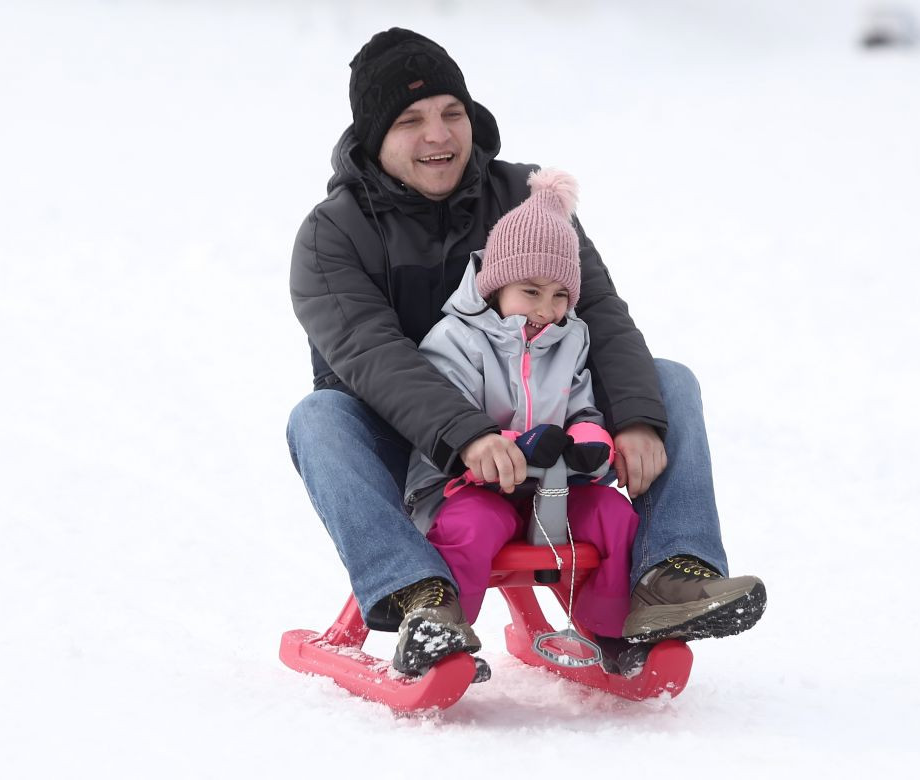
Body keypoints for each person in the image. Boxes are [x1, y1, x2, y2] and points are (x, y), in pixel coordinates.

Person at [286, 27, 765, 678]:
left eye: (452, 113)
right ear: (375, 137)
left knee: (665, 384)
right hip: (417, 456)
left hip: (552, 438)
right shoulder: (333, 235)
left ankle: (671, 576)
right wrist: (469, 436)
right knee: (318, 418)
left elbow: (598, 312)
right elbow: (372, 356)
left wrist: (634, 421)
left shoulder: (526, 200)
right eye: (411, 120)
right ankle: (422, 595)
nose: (439, 135)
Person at [402, 168, 640, 677]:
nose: (547, 309)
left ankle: (613, 631)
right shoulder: (455, 339)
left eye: (560, 296)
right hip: (464, 487)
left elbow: (583, 408)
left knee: (613, 517)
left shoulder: (570, 339)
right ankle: (442, 633)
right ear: (496, 284)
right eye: (531, 291)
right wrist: (514, 443)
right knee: (472, 529)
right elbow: (445, 419)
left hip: (550, 492)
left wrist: (588, 443)